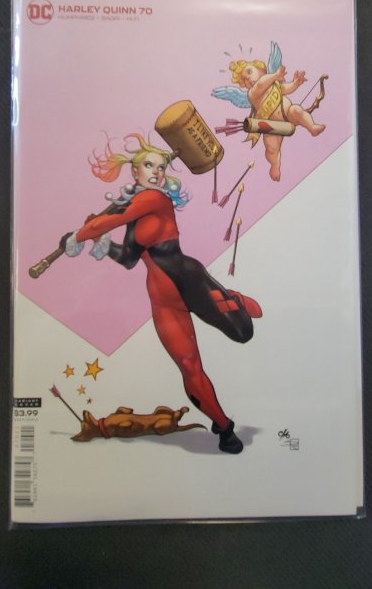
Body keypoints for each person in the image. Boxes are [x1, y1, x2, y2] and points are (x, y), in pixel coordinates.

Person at [61, 134, 262, 454]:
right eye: (148, 166)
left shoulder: (155, 199)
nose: (156, 172)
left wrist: (81, 234)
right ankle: (224, 427)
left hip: (190, 282)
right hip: (162, 297)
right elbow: (128, 258)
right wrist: (100, 244)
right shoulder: (133, 211)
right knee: (188, 366)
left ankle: (233, 298)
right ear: (135, 171)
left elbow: (113, 219)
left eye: (160, 167)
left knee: (243, 333)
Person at [230, 60, 326, 181]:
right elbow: (260, 84)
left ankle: (312, 127)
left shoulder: (274, 84)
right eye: (244, 79)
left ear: (261, 70)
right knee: (271, 149)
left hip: (288, 114)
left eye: (249, 72)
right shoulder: (252, 94)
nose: (247, 78)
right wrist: (275, 75)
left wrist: (295, 83)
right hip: (272, 126)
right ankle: (275, 164)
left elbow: (286, 88)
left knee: (296, 110)